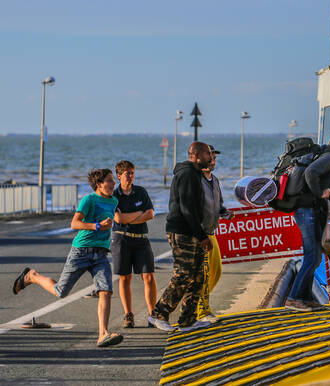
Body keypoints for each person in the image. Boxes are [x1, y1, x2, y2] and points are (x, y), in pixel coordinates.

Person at [12, 169, 123, 347]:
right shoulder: (89, 200)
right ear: (99, 183)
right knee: (60, 291)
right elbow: (74, 223)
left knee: (106, 291)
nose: (113, 184)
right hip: (81, 252)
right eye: (110, 181)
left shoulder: (114, 200)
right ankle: (32, 276)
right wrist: (97, 226)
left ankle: (103, 334)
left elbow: (114, 217)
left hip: (101, 253)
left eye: (113, 181)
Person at [285, 130, 330, 312]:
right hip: (307, 211)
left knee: (316, 255)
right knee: (312, 256)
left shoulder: (328, 156)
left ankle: (306, 297)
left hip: (310, 210)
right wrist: (320, 193)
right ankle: (293, 298)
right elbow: (310, 173)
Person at [148, 142, 213, 332]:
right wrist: (202, 236)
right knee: (183, 275)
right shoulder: (187, 175)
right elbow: (186, 209)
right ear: (196, 155)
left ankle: (188, 320)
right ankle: (158, 314)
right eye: (207, 154)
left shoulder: (195, 174)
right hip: (182, 232)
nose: (210, 157)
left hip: (192, 231)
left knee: (198, 277)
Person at [111, 160, 156, 328]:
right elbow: (118, 219)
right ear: (119, 175)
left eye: (132, 173)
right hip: (121, 239)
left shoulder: (141, 192)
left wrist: (129, 217)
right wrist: (139, 214)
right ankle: (128, 314)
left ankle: (153, 314)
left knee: (149, 276)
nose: (130, 176)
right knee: (125, 277)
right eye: (127, 173)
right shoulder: (114, 196)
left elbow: (151, 214)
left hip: (141, 239)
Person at [195, 145, 233, 323]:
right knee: (203, 272)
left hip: (211, 232)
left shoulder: (214, 180)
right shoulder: (195, 180)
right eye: (209, 157)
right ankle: (201, 311)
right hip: (198, 234)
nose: (212, 161)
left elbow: (217, 205)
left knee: (216, 271)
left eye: (214, 158)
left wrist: (224, 212)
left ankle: (197, 304)